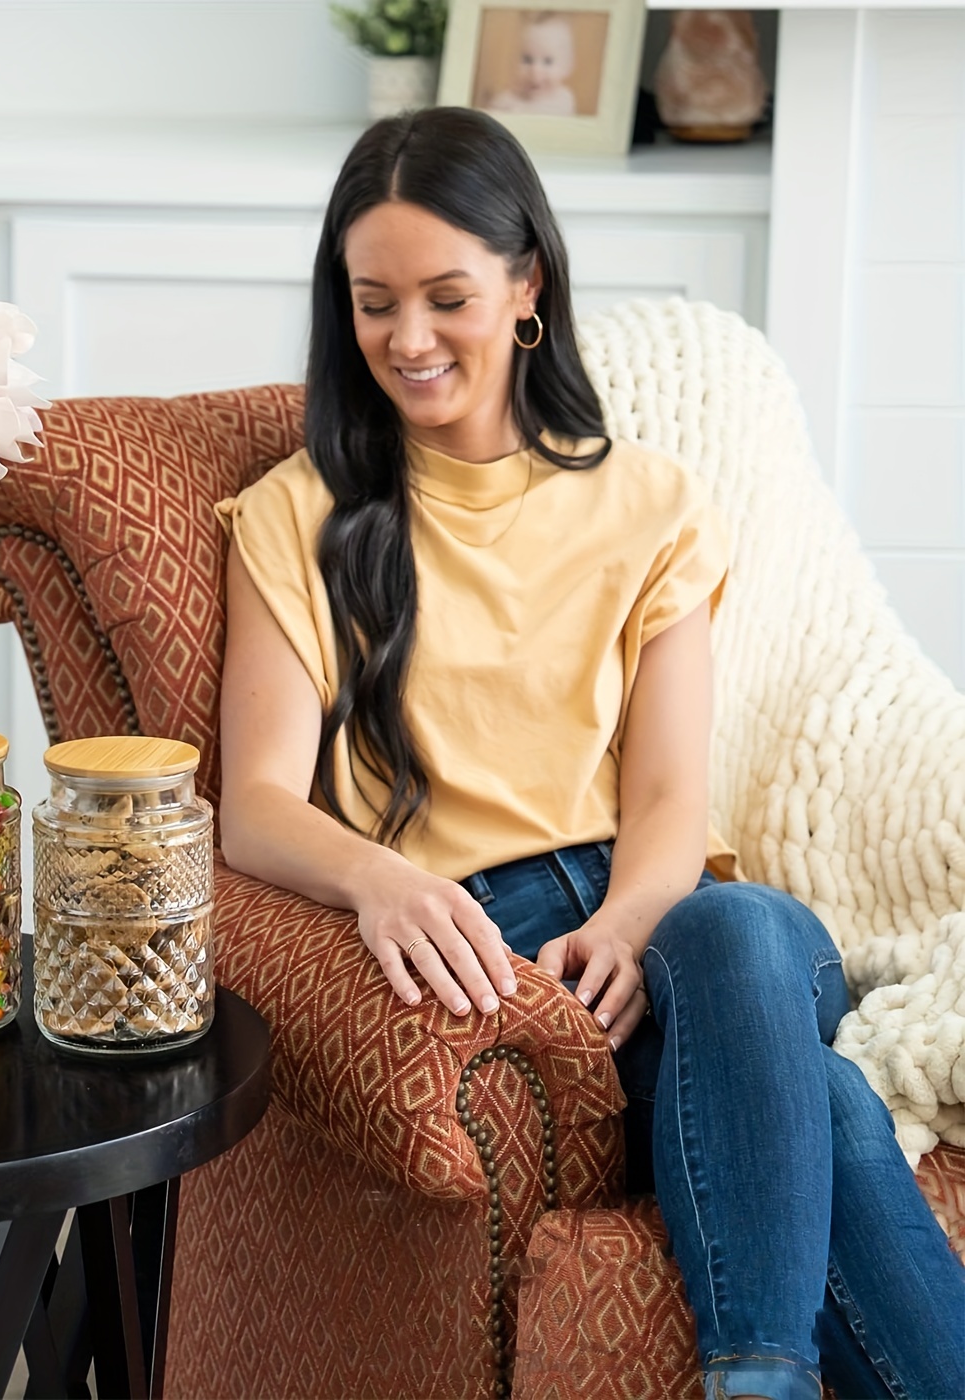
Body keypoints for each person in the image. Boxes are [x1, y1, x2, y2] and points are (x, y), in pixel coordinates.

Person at [215, 108, 965, 1400]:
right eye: (373, 301)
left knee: (731, 938)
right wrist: (382, 882)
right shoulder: (303, 516)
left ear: (527, 290)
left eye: (446, 297)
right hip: (506, 946)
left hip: (674, 911)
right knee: (832, 1114)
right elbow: (254, 807)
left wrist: (631, 922)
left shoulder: (653, 504)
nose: (406, 339)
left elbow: (674, 793)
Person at [487, 11, 577, 116]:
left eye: (548, 61)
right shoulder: (505, 101)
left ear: (567, 66)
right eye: (527, 59)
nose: (535, 70)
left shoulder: (565, 101)